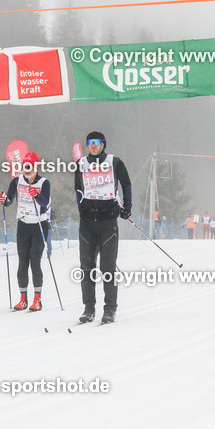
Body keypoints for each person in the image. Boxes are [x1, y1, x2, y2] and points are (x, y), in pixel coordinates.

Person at [75, 131, 132, 324]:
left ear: (103, 144)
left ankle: (109, 309)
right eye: (89, 142)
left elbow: (126, 184)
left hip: (108, 222)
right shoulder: (81, 163)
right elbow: (78, 188)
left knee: (107, 268)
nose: (93, 145)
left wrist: (127, 208)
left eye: (96, 142)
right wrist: (81, 208)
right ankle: (89, 308)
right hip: (88, 223)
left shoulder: (114, 162)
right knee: (86, 268)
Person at [0, 152, 51, 311]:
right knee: (22, 262)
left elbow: (44, 204)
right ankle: (23, 299)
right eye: (24, 166)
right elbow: (9, 200)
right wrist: (4, 200)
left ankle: (37, 300)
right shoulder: (16, 181)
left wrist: (36, 195)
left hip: (39, 225)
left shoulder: (44, 182)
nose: (26, 170)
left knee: (35, 261)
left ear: (36, 167)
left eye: (29, 166)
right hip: (23, 225)